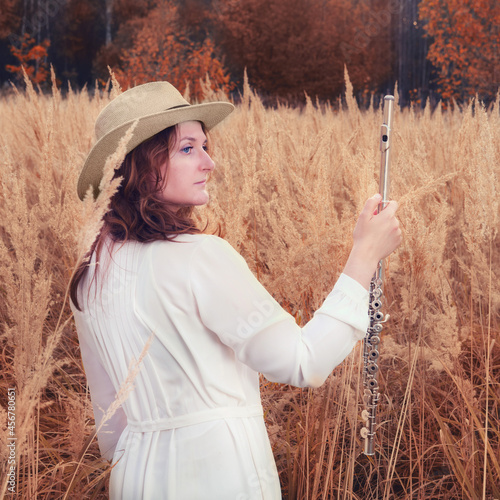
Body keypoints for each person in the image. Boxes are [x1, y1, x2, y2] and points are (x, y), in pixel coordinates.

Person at [70, 81, 402, 500]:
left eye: (205, 146)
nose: (209, 162)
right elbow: (303, 362)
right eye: (187, 148)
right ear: (140, 164)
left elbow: (111, 424)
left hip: (132, 477)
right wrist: (365, 254)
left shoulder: (88, 273)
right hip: (218, 475)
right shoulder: (200, 256)